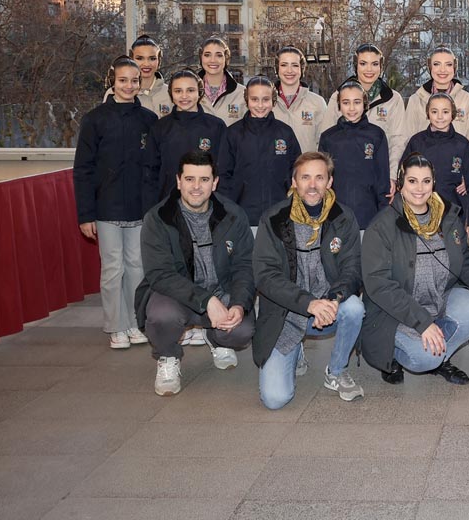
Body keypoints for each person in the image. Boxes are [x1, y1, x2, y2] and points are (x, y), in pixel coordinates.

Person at [359, 154, 469, 386]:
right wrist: (422, 322)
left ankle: (440, 354)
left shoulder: (448, 217)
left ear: (434, 183)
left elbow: (464, 259)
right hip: (396, 312)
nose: (420, 188)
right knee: (424, 359)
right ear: (401, 183)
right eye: (412, 181)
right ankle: (396, 353)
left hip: (438, 300)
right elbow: (378, 284)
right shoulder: (382, 226)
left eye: (426, 181)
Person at [135, 151, 256, 396]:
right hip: (176, 295)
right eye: (190, 179)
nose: (197, 187)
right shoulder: (158, 218)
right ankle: (168, 356)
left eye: (204, 179)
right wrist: (206, 300)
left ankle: (216, 338)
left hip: (221, 291)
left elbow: (245, 266)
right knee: (161, 316)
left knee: (242, 330)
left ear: (215, 182)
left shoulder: (234, 215)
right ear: (178, 181)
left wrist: (239, 304)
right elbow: (160, 274)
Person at [253, 152, 366, 408]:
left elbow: (352, 269)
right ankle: (295, 349)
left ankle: (336, 371)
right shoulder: (273, 219)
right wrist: (309, 303)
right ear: (294, 182)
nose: (312, 185)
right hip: (286, 313)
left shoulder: (344, 217)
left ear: (330, 181)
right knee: (275, 399)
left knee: (354, 308)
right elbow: (265, 276)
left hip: (328, 308)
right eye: (305, 178)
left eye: (319, 177)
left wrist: (333, 299)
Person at [74, 56, 158, 349]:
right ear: (113, 81)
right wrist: (86, 214)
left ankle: (135, 322)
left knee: (137, 266)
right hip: (106, 207)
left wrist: (153, 209)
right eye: (123, 80)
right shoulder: (94, 119)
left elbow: (154, 168)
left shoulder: (149, 120)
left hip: (139, 208)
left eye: (134, 81)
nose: (129, 86)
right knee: (112, 268)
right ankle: (115, 326)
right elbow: (83, 170)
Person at [216, 76, 300, 229]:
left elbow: (296, 172)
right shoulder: (233, 133)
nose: (260, 105)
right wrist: (231, 209)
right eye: (254, 99)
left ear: (273, 101)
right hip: (243, 216)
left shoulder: (285, 133)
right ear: (247, 100)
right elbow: (223, 175)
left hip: (280, 215)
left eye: (265, 99)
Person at [322, 43, 408, 192]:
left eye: (374, 64)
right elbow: (326, 138)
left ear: (381, 67)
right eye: (363, 63)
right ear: (356, 66)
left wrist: (392, 175)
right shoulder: (338, 96)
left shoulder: (393, 99)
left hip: (378, 177)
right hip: (343, 178)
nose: (369, 69)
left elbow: (398, 141)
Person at [143, 70, 227, 206]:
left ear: (199, 92)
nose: (184, 96)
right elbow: (151, 171)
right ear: (171, 94)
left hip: (207, 205)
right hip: (168, 204)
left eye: (190, 90)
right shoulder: (160, 127)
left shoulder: (216, 126)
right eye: (178, 91)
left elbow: (223, 170)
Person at [318, 79, 390, 233]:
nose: (351, 108)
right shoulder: (328, 137)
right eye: (346, 102)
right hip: (336, 218)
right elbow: (322, 180)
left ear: (365, 103)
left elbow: (382, 179)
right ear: (339, 105)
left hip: (368, 217)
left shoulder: (376, 135)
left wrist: (383, 215)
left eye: (357, 102)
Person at [404, 92, 469, 225]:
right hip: (420, 214)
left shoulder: (462, 144)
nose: (440, 116)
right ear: (428, 113)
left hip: (454, 215)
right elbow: (403, 179)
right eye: (434, 112)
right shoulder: (416, 142)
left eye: (445, 112)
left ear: (453, 114)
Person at [403, 46, 469, 166]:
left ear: (454, 67)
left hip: (457, 170)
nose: (442, 70)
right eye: (437, 64)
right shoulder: (416, 100)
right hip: (423, 171)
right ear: (430, 67)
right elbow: (407, 139)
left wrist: (466, 170)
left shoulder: (468, 100)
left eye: (448, 64)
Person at [270, 45, 327, 156]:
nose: (289, 70)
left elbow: (325, 143)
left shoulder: (317, 103)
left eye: (295, 65)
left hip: (308, 166)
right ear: (277, 69)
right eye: (284, 65)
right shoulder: (265, 104)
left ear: (302, 69)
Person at [104, 35, 171, 117]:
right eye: (140, 58)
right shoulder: (115, 92)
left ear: (159, 60)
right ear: (131, 59)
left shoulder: (170, 93)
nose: (146, 64)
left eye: (152, 58)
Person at [196, 36, 246, 125]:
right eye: (207, 55)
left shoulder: (242, 93)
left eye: (219, 55)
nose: (213, 60)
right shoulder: (188, 92)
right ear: (201, 58)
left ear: (226, 58)